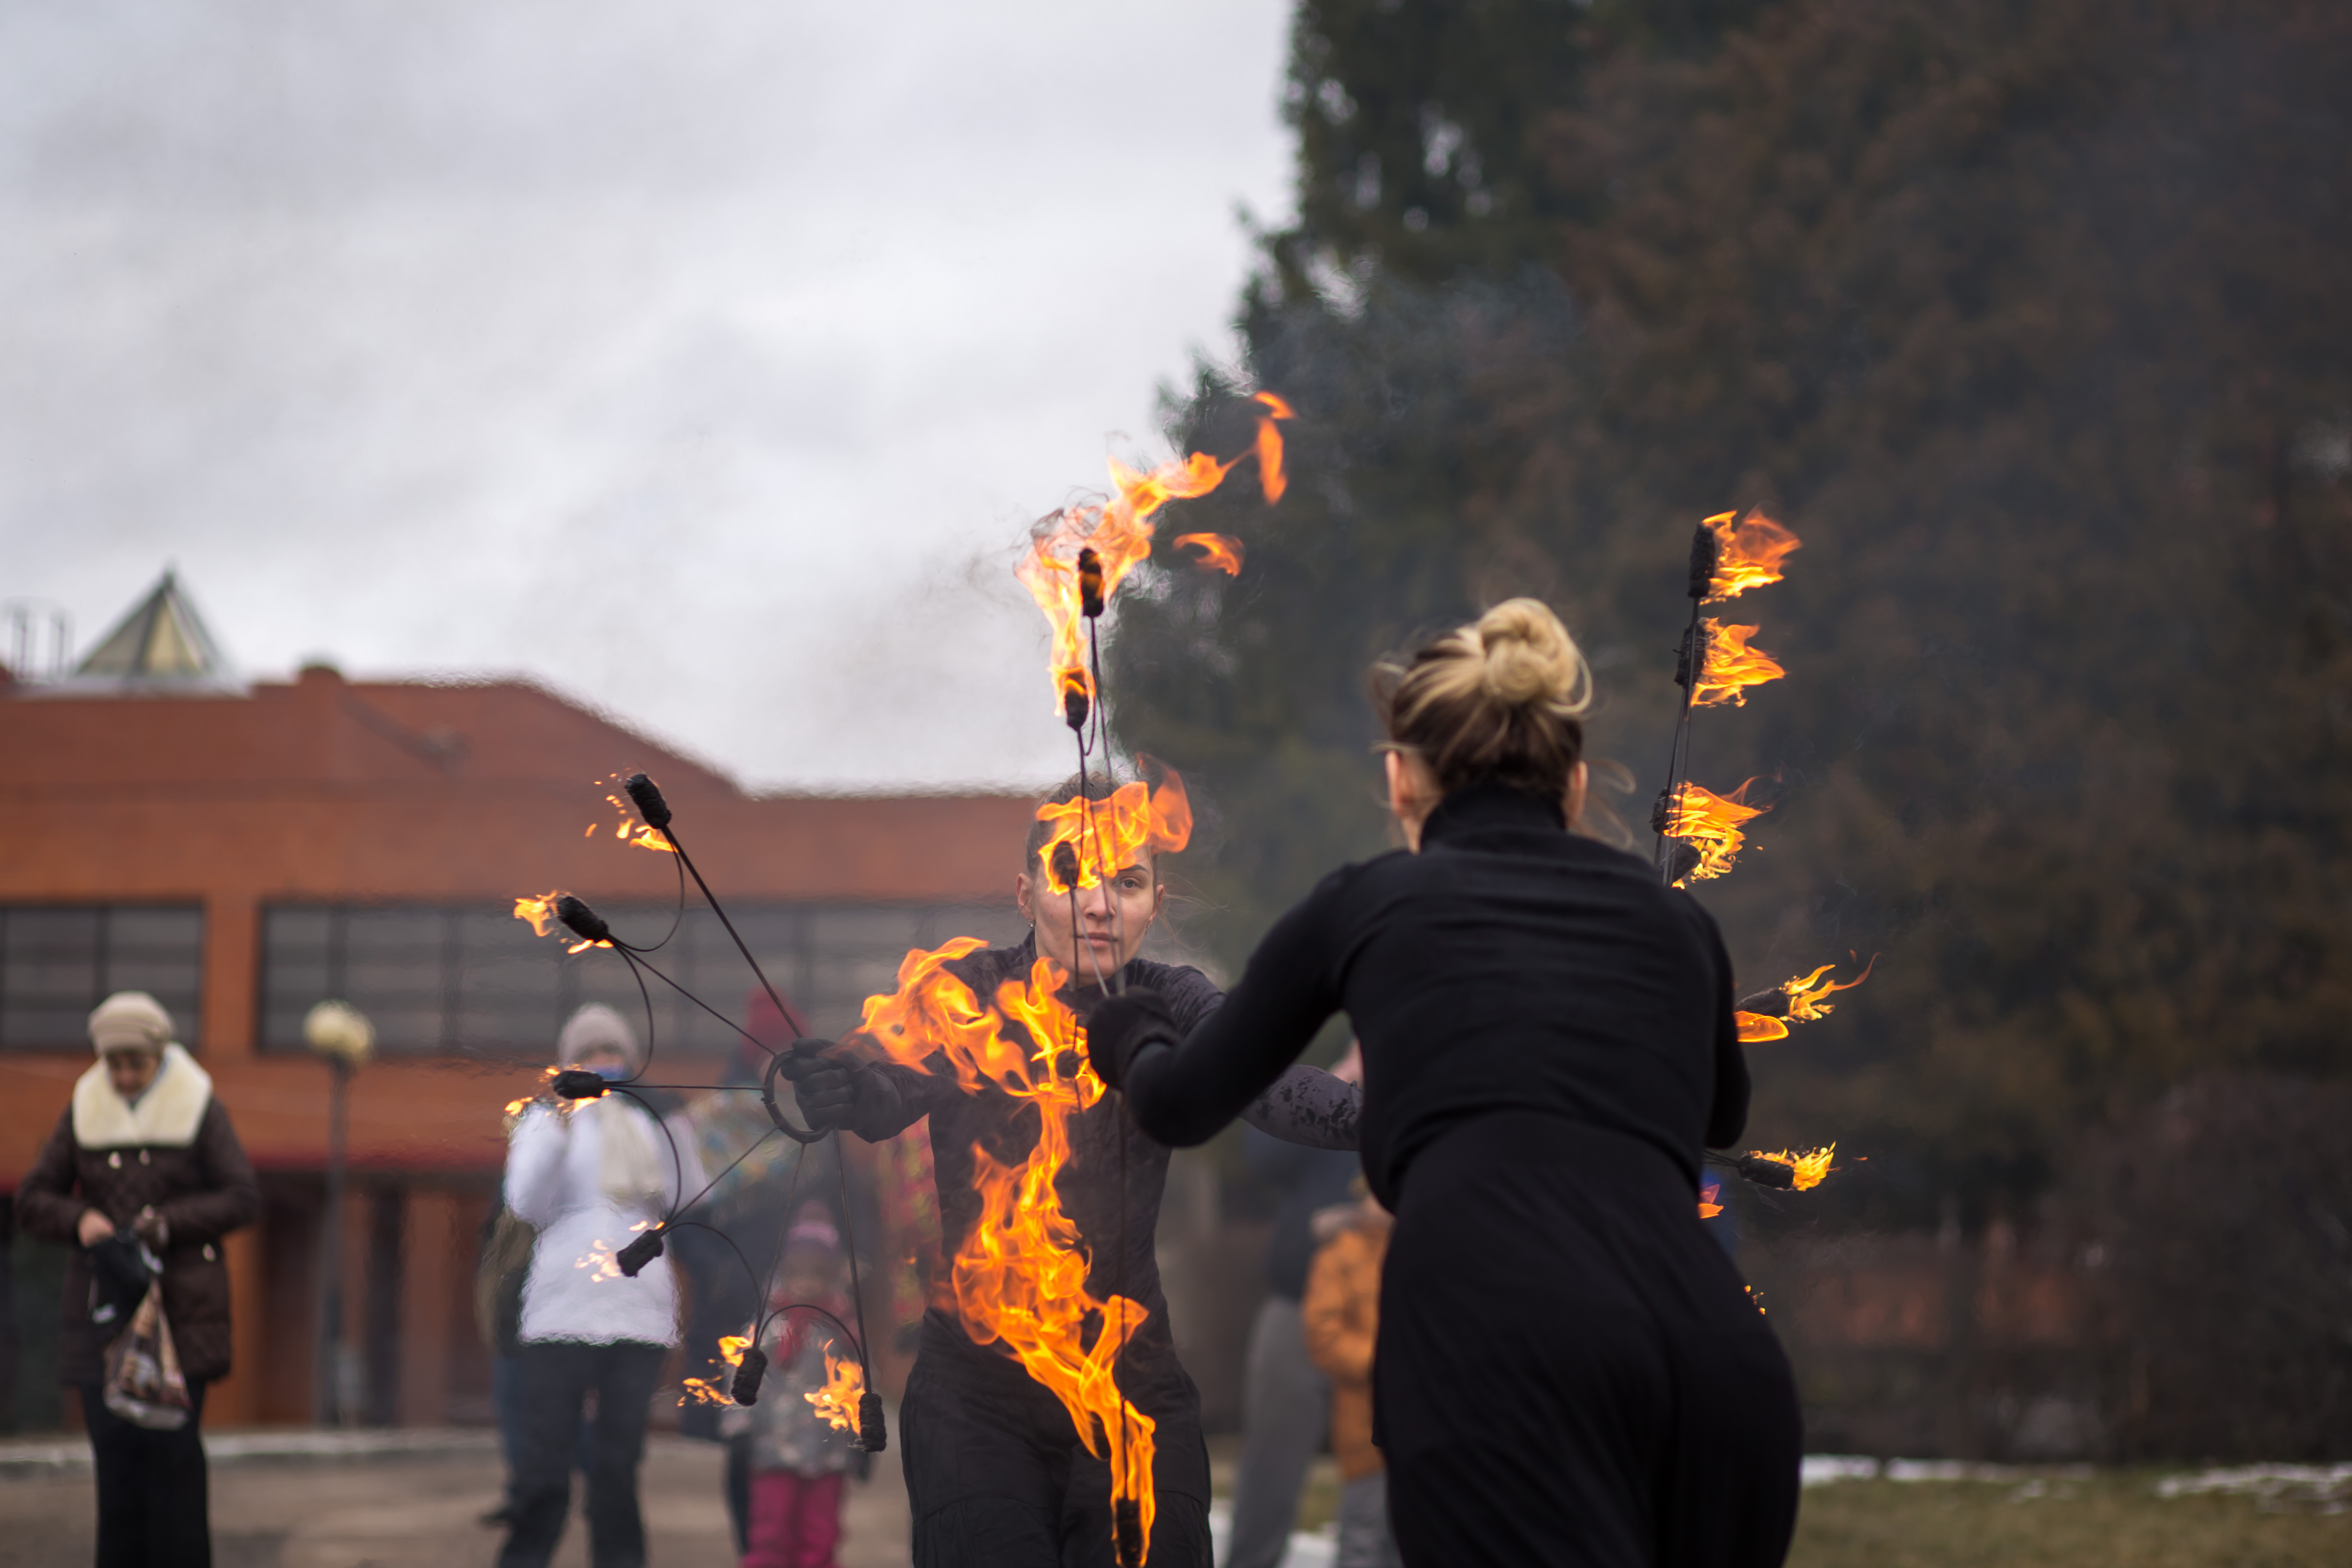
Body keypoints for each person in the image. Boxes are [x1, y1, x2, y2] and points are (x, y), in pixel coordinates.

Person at [1090, 600, 1805, 1568]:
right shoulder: (1675, 925)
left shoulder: (1370, 903)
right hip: (1714, 1358)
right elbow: (1724, 1112)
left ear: (1401, 778)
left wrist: (1130, 1030)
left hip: (1497, 1350)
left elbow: (1182, 1104)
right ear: (1576, 779)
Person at [781, 773, 1362, 1568]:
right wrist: (840, 1084)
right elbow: (883, 1094)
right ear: (1025, 894)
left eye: (1126, 882)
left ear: (1155, 902)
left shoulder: (1174, 1000)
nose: (1099, 903)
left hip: (1132, 1390)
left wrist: (1396, 1116)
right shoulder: (965, 995)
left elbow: (1267, 1085)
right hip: (975, 1397)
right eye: (1071, 875)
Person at [16, 991, 260, 1568]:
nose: (124, 1076)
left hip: (181, 1318)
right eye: (113, 1063)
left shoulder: (198, 1104)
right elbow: (33, 1199)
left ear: (159, 1055)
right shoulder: (85, 1106)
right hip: (102, 1317)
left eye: (136, 1062)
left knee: (174, 1468)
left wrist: (165, 1224)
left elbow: (243, 1198)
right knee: (116, 1469)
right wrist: (84, 1222)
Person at [498, 1003, 705, 1568]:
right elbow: (525, 1202)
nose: (602, 1062)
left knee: (616, 1469)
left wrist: (676, 1123)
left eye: (611, 1052)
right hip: (560, 1312)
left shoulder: (650, 1118)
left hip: (637, 1312)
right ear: (569, 1062)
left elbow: (694, 1196)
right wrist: (560, 1123)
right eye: (589, 1053)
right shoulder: (547, 1120)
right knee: (543, 1469)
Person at [1225, 1045, 1363, 1568]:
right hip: (1296, 1308)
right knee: (1271, 1467)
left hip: (1386, 1322)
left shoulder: (1420, 1106)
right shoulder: (1326, 1103)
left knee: (1382, 1484)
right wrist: (1341, 1079)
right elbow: (1262, 1156)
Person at [726, 1202, 865, 1568]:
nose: (807, 1284)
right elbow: (740, 1378)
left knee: (821, 1535)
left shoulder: (845, 1329)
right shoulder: (768, 1326)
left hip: (828, 1454)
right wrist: (738, 1429)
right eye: (799, 1273)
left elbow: (862, 1383)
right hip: (773, 1450)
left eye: (817, 1275)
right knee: (770, 1534)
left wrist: (864, 1436)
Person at [1300, 1185, 1396, 1568]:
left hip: (1420, 1429)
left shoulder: (1423, 1249)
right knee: (1363, 1538)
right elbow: (1323, 1334)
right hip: (1364, 1434)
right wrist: (1387, 1363)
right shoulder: (1340, 1255)